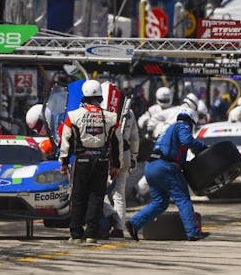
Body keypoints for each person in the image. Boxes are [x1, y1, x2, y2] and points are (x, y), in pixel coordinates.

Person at [125, 109, 210, 242]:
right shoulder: (182, 125)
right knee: (183, 199)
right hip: (165, 167)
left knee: (160, 202)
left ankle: (134, 223)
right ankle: (193, 232)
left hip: (151, 166)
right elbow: (187, 141)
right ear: (191, 120)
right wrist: (204, 148)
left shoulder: (168, 129)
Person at [58, 79, 122, 244]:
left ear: (83, 96)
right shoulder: (112, 117)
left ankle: (76, 234)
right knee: (96, 197)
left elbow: (66, 141)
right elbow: (117, 143)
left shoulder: (73, 115)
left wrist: (63, 162)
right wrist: (116, 165)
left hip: (82, 160)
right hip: (101, 160)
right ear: (100, 96)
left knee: (78, 196)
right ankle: (91, 234)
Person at [102, 84, 139, 238]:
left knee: (100, 191)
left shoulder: (101, 112)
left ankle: (110, 217)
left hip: (106, 155)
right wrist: (134, 156)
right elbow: (135, 137)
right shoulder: (129, 113)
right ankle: (119, 227)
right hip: (125, 154)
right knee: (119, 194)